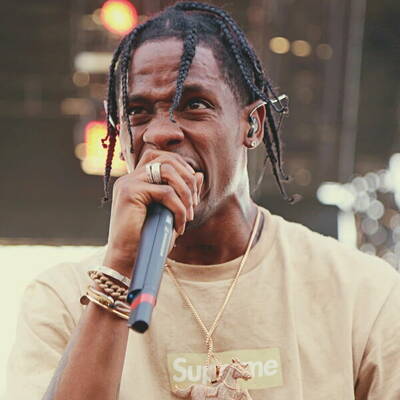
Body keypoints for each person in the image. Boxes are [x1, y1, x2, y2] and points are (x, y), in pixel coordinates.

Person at [5, 2, 400, 399]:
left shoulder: (361, 292)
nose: (161, 133)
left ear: (252, 125)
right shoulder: (60, 299)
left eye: (194, 105)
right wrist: (119, 274)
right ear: (120, 137)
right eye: (139, 112)